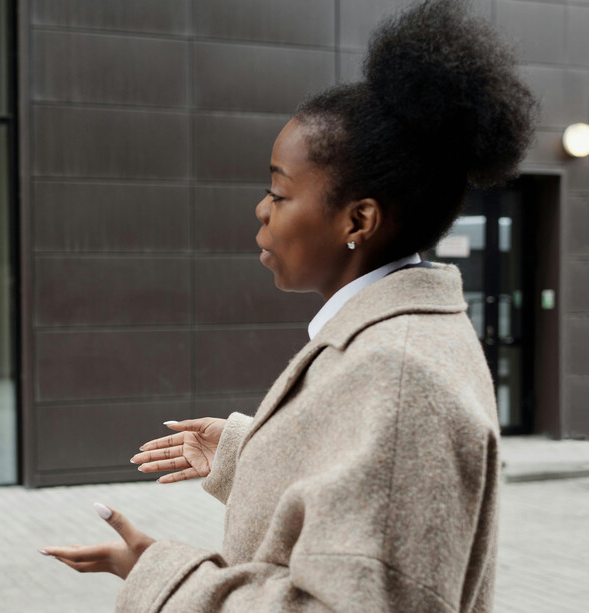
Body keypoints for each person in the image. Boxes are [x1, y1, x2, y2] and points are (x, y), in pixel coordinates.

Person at [40, 1, 537, 611]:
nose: (261, 208)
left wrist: (163, 575)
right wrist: (250, 452)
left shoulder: (402, 375)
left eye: (279, 191)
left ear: (360, 219)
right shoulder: (393, 346)